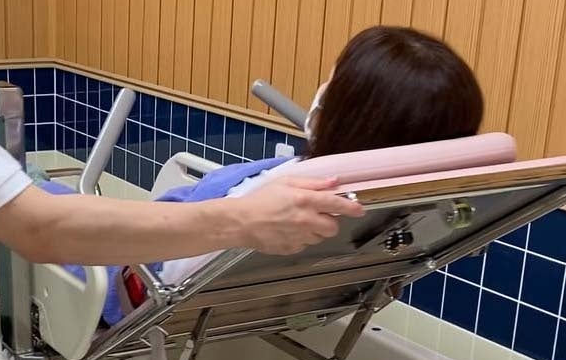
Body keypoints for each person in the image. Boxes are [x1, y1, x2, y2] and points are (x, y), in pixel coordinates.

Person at [0, 0, 364, 272]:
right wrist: (242, 220)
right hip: (111, 230)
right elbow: (37, 227)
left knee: (36, 184)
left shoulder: (284, 187)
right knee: (37, 186)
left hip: (133, 249)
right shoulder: (308, 194)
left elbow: (41, 225)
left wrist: (241, 219)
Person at [94, 25, 484, 325]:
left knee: (59, 196)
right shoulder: (414, 206)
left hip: (133, 283)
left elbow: (171, 279)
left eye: (334, 84)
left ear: (347, 113)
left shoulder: (277, 199)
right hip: (256, 294)